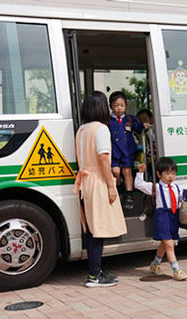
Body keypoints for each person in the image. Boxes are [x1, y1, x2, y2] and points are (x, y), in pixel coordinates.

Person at [73, 91, 127, 288]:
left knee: (92, 229)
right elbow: (104, 158)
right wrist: (111, 185)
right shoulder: (101, 129)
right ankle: (94, 276)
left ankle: (96, 271)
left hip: (84, 182)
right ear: (102, 107)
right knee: (99, 230)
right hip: (98, 181)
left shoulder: (81, 130)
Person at [135, 157, 187, 281]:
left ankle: (155, 264)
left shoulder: (177, 188)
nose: (170, 176)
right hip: (162, 217)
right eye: (167, 173)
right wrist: (140, 172)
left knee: (165, 244)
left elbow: (183, 200)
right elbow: (138, 184)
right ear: (159, 174)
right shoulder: (156, 187)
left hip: (173, 217)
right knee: (169, 244)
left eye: (173, 173)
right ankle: (176, 270)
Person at [109, 91, 150, 209]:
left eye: (121, 105)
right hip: (114, 152)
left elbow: (137, 128)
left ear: (125, 106)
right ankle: (119, 186)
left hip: (128, 151)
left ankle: (129, 195)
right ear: (111, 106)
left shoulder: (130, 119)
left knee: (127, 173)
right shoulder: (108, 121)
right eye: (116, 106)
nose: (119, 108)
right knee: (115, 171)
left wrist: (144, 126)